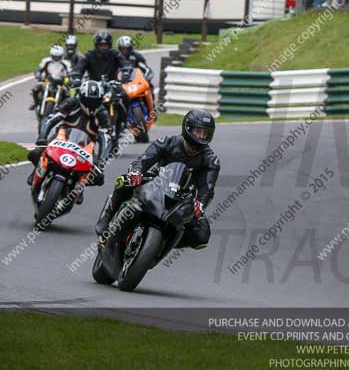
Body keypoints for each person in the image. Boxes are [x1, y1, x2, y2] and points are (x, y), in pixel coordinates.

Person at [94, 109, 220, 252]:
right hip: (157, 180)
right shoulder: (167, 142)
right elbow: (144, 159)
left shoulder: (211, 160)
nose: (201, 136)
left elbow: (208, 188)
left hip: (184, 195)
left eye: (206, 133)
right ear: (188, 128)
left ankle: (165, 242)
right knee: (125, 181)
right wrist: (136, 172)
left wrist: (201, 203)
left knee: (202, 236)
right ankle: (108, 214)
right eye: (198, 131)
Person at [27, 80, 111, 203]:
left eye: (95, 101)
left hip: (86, 147)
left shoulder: (102, 113)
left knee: (98, 177)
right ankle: (35, 172)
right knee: (36, 153)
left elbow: (106, 138)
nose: (91, 104)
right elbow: (52, 119)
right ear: (82, 96)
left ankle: (78, 187)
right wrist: (42, 136)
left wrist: (101, 160)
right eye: (88, 100)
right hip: (61, 138)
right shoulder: (71, 103)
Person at [29, 45, 70, 111]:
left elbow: (70, 73)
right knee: (35, 89)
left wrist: (70, 79)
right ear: (51, 55)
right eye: (55, 56)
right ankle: (35, 103)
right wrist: (38, 75)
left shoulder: (66, 63)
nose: (56, 58)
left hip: (61, 83)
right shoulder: (46, 61)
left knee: (68, 94)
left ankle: (64, 108)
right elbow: (39, 69)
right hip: (47, 81)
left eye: (58, 57)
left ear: (62, 55)